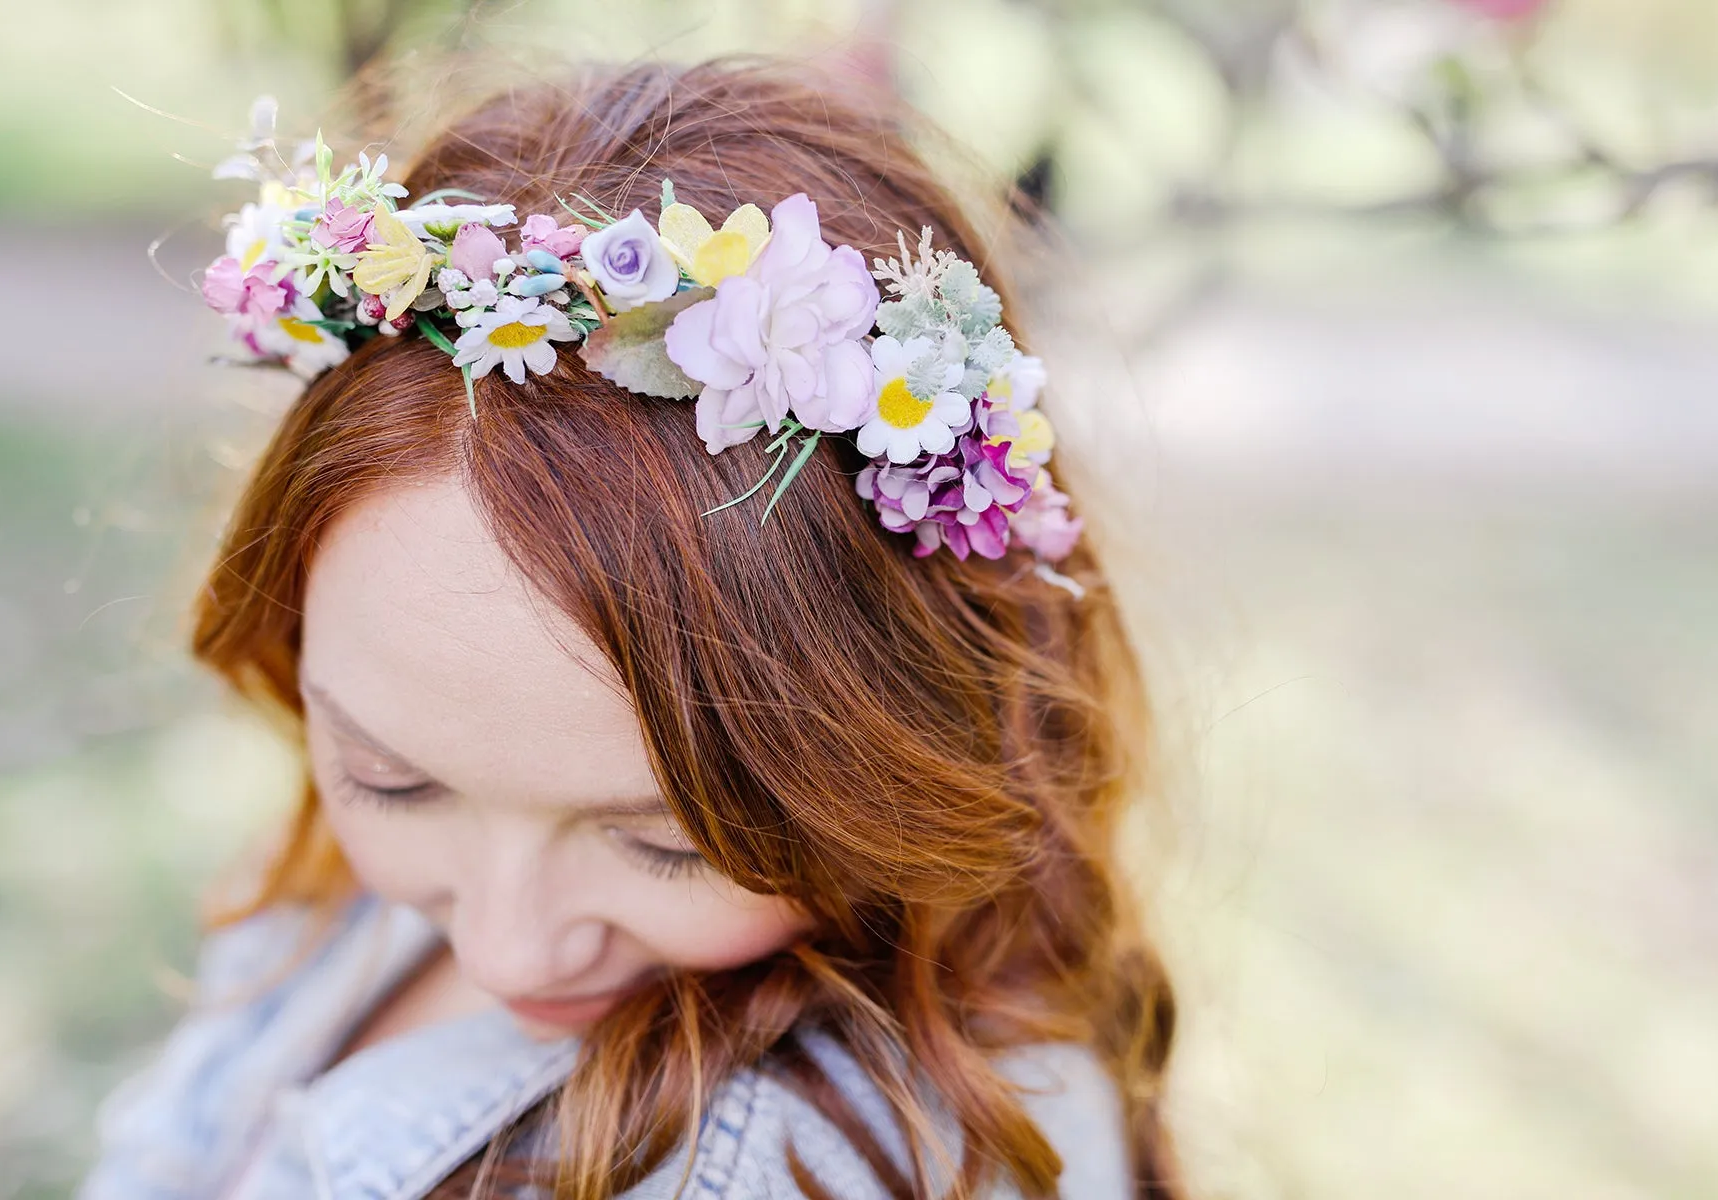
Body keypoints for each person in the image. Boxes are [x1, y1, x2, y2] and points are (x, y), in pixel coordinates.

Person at [80, 59, 1182, 1200]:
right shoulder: (326, 904)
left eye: (671, 846)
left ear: (902, 748)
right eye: (389, 779)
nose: (507, 948)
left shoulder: (793, 1163)